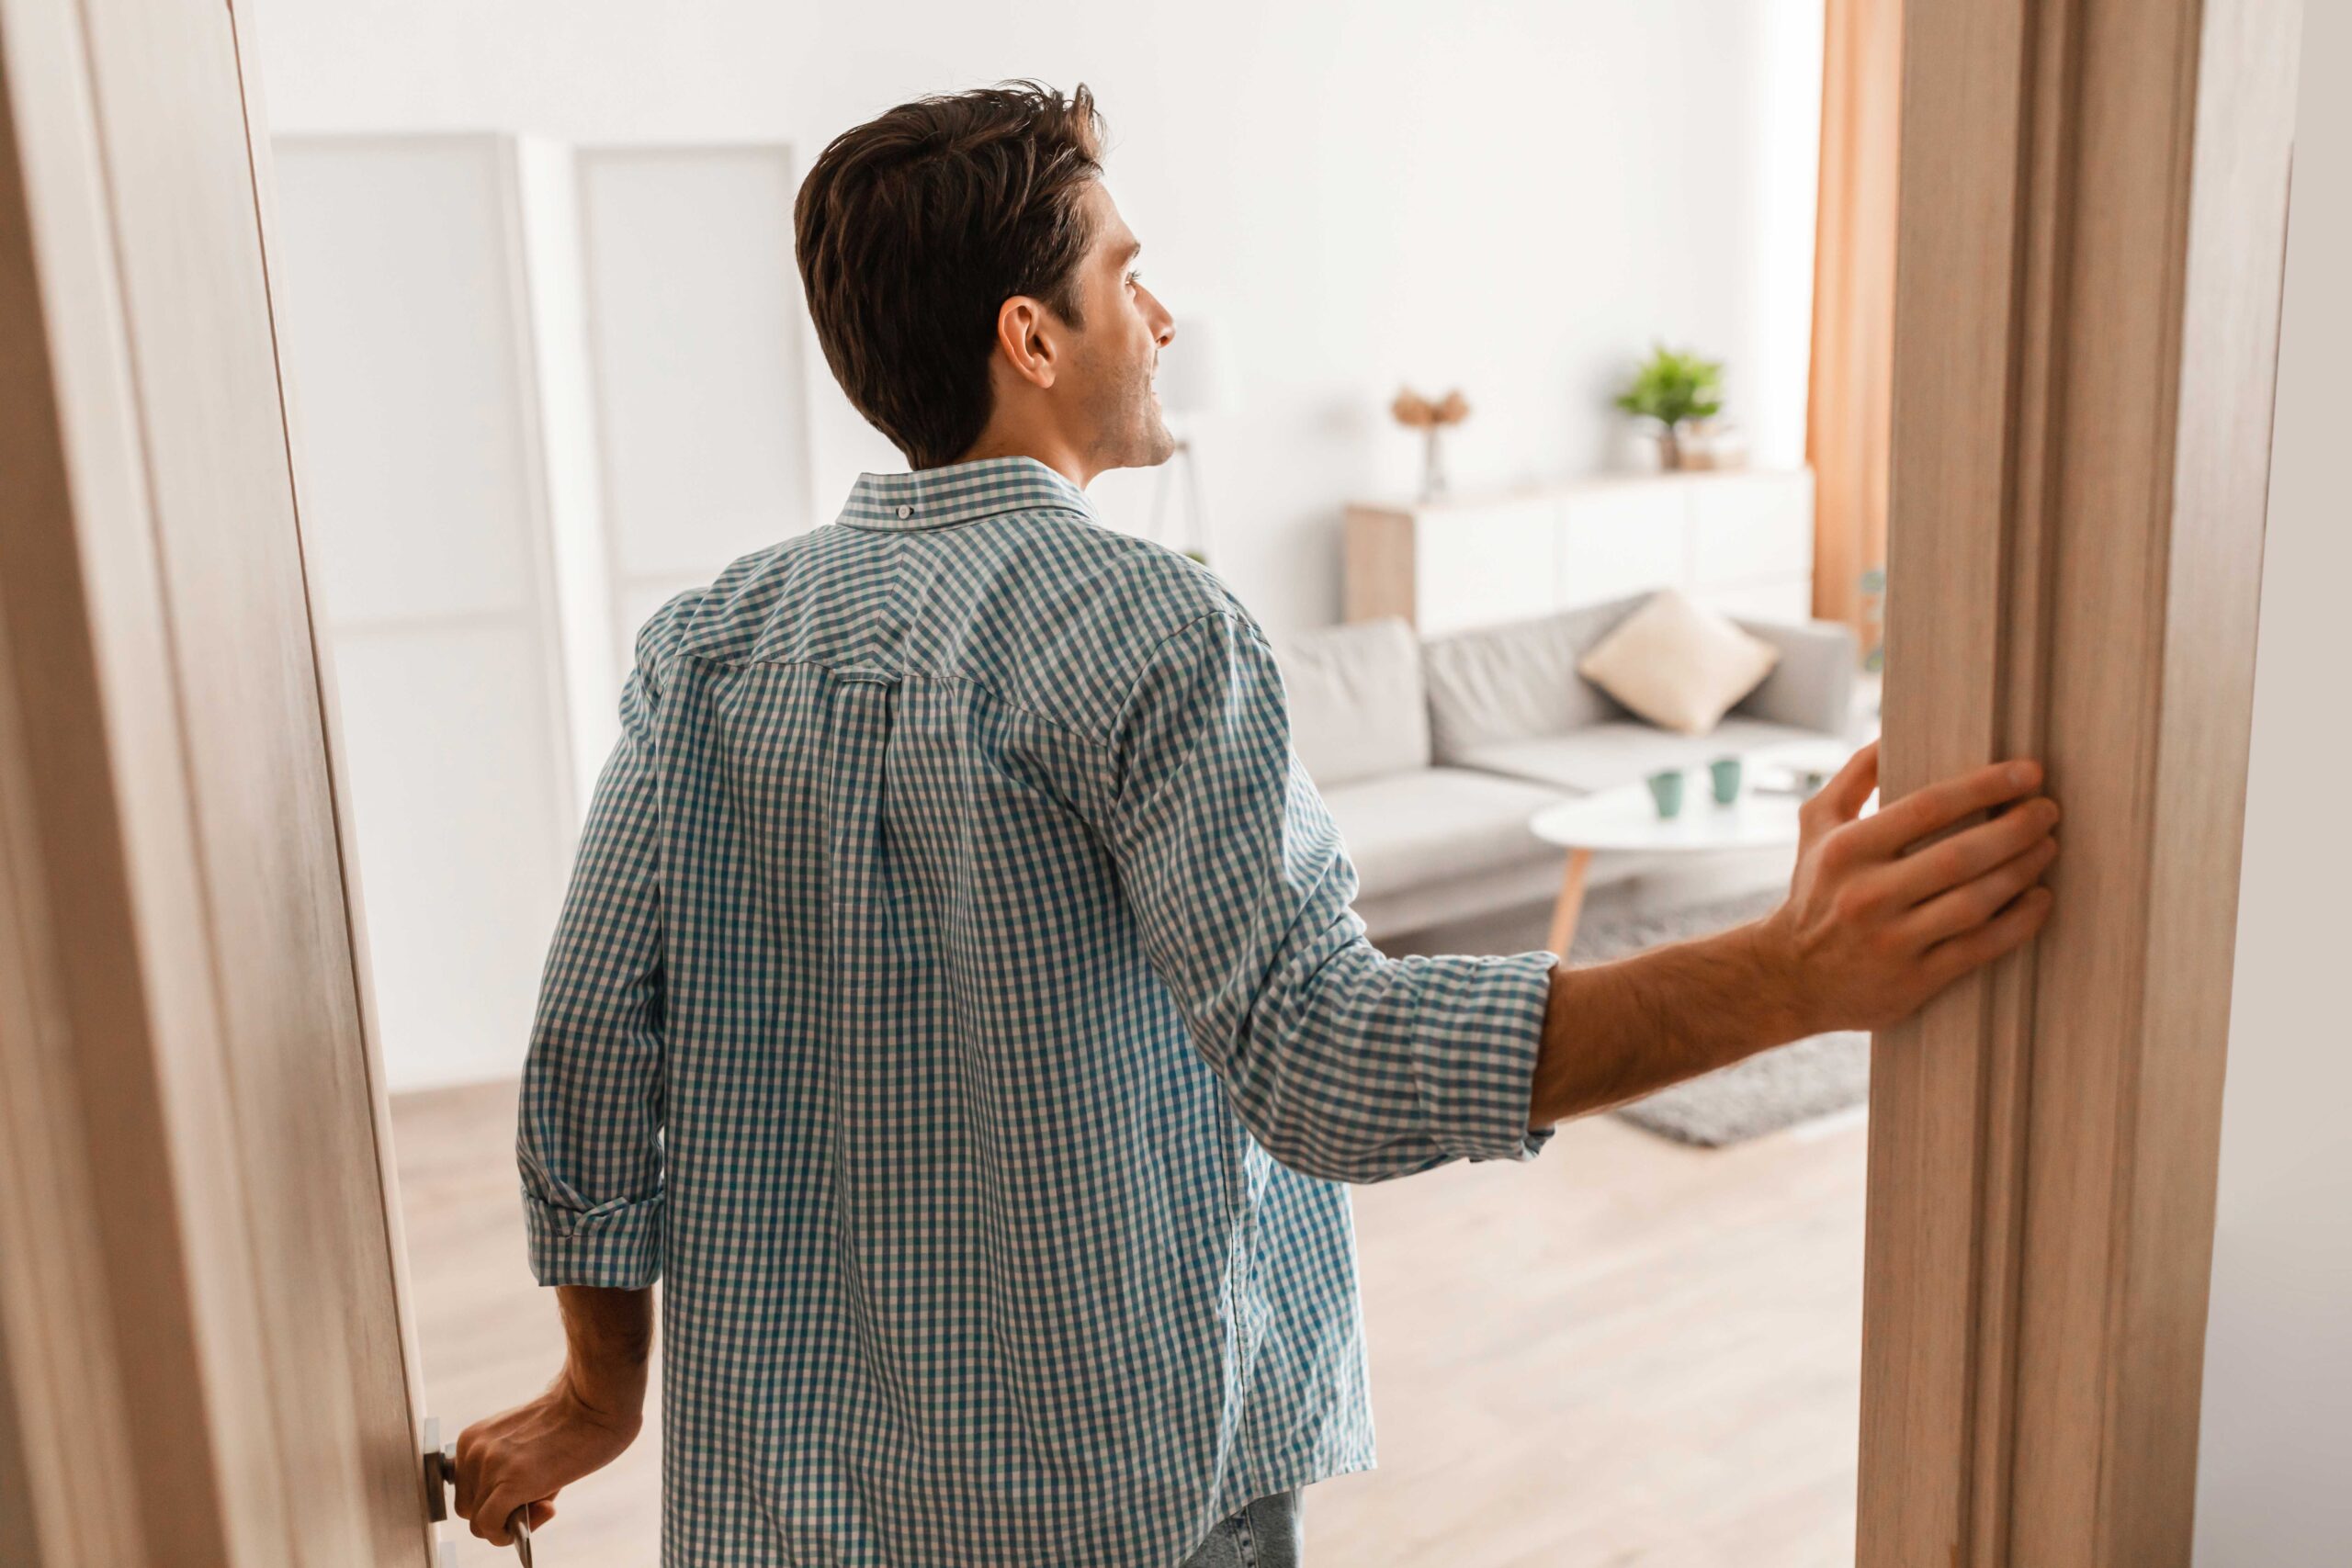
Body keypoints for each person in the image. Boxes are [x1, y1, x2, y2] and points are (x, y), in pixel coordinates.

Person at [453, 81, 2058, 1567]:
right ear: (1033, 336)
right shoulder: (1153, 628)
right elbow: (1330, 1064)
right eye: (1128, 275)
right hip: (1114, 1485)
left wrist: (600, 1392)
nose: (1158, 316)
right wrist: (1792, 976)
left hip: (789, 1491)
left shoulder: (711, 642)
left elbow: (594, 1054)